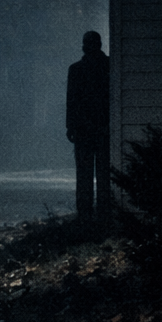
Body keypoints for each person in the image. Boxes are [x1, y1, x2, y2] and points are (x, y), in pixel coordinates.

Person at [66, 30, 110, 221]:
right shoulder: (109, 66)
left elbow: (72, 101)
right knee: (103, 171)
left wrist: (71, 126)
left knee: (84, 173)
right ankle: (103, 210)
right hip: (103, 127)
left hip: (84, 128)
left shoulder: (76, 69)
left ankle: (85, 212)